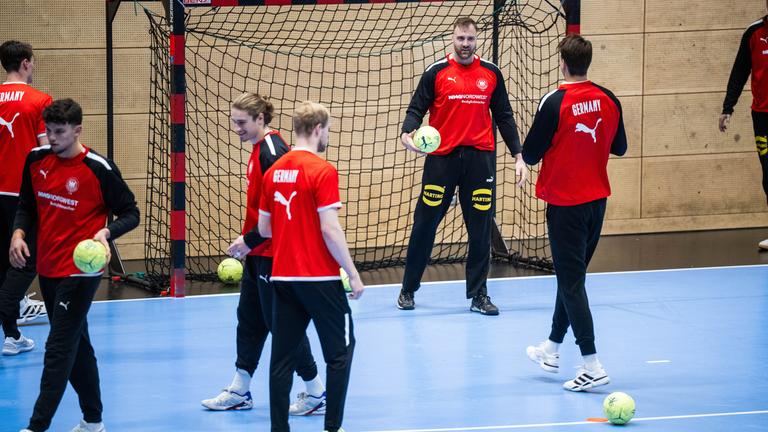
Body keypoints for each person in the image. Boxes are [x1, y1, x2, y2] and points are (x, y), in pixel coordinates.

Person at [14, 98, 139, 432]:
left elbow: (131, 212)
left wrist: (106, 231)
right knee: (78, 346)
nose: (51, 139)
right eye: (48, 131)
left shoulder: (99, 168)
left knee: (58, 348)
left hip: (81, 272)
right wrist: (18, 233)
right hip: (49, 268)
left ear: (77, 130)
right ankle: (93, 421)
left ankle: (36, 426)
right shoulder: (36, 160)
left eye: (59, 132)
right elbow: (26, 204)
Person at [201, 93, 326, 415]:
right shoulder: (259, 150)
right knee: (250, 320)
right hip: (260, 254)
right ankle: (240, 389)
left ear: (260, 120)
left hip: (275, 255)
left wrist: (251, 240)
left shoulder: (273, 151)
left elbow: (286, 208)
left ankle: (315, 391)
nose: (236, 128)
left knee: (282, 325)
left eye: (241, 122)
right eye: (234, 122)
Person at [396, 17, 528, 315]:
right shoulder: (436, 72)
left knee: (480, 229)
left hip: (480, 161)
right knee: (425, 225)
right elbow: (416, 109)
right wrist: (407, 133)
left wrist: (519, 156)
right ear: (452, 39)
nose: (465, 45)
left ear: (476, 40)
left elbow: (505, 116)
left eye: (470, 39)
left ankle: (479, 295)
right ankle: (407, 289)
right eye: (460, 39)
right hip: (441, 161)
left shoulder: (491, 74)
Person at [522, 34, 627, 392]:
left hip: (566, 206)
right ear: (588, 62)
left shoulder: (555, 102)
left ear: (562, 62)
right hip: (597, 202)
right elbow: (621, 147)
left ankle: (592, 364)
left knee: (571, 282)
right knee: (572, 278)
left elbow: (532, 153)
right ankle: (551, 349)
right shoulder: (609, 99)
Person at [258, 101, 364, 432]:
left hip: (283, 277)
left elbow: (264, 229)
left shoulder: (274, 171)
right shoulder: (322, 170)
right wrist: (354, 273)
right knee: (340, 353)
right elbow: (330, 229)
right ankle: (333, 428)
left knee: (282, 361)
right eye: (328, 130)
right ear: (318, 129)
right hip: (319, 278)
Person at [0, 40, 51, 356]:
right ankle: (12, 332)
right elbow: (47, 149)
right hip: (23, 194)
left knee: (3, 262)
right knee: (25, 262)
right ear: (25, 63)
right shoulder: (39, 100)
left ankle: (12, 330)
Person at [719, 0, 768, 250]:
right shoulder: (754, 33)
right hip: (763, 116)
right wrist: (728, 108)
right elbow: (739, 71)